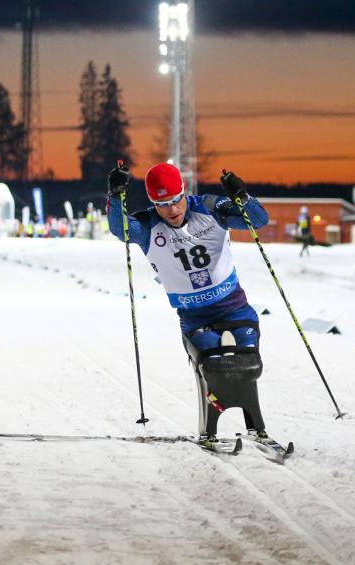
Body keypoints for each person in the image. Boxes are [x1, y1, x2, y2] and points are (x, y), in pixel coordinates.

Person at [107, 162, 274, 444]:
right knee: (212, 370)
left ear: (184, 192)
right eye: (162, 204)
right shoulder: (148, 226)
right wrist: (115, 196)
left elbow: (257, 220)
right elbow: (120, 230)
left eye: (175, 200)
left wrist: (242, 197)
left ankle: (255, 426)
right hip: (195, 318)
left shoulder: (210, 208)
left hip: (234, 306)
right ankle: (210, 428)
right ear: (152, 203)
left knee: (248, 365)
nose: (172, 210)